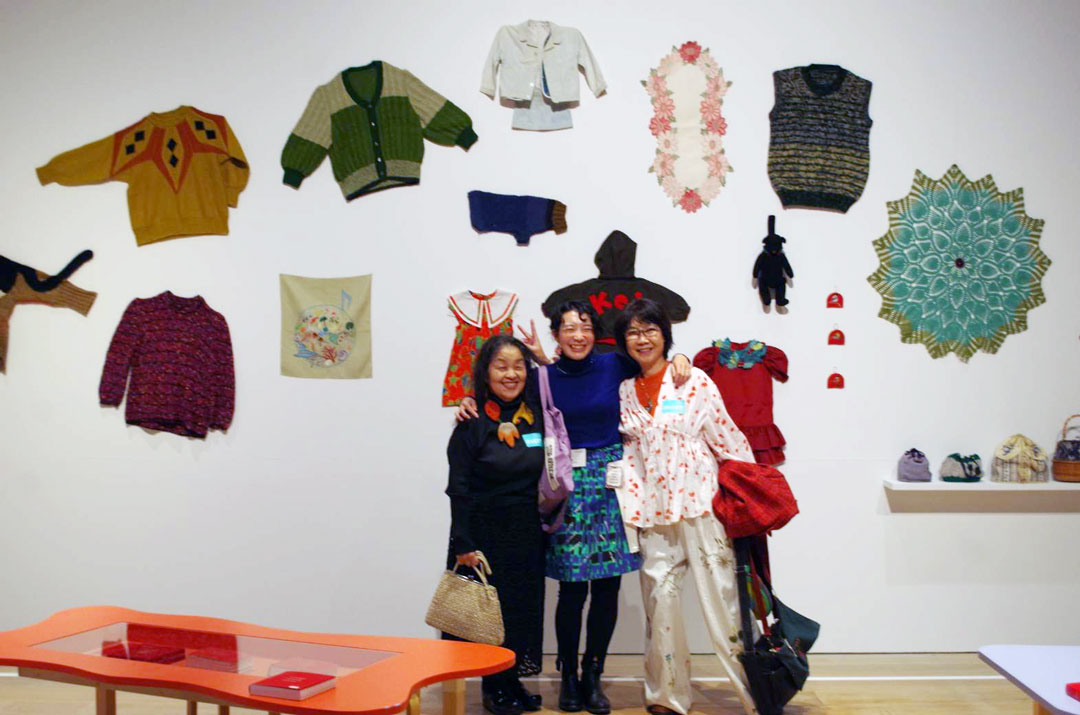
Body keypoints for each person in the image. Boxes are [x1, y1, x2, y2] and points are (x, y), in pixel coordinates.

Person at [458, 301, 692, 714]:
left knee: (607, 587)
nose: (578, 334)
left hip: (613, 483)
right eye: (568, 327)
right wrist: (468, 400)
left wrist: (681, 357)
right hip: (565, 485)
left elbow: (650, 361)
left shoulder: (614, 365)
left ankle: (592, 676)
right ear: (556, 335)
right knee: (571, 588)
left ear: (595, 332)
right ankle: (567, 675)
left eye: (584, 326)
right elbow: (502, 396)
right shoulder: (541, 376)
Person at [613, 299, 758, 715]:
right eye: (633, 332)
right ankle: (667, 695)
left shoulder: (693, 379)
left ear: (665, 334)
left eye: (650, 329)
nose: (642, 339)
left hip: (701, 505)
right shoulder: (625, 390)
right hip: (654, 513)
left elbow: (726, 436)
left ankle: (756, 694)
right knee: (661, 601)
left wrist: (748, 494)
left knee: (724, 604)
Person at [444, 335, 546, 715]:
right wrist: (463, 542)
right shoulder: (471, 422)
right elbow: (458, 487)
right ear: (486, 372)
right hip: (483, 534)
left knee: (520, 610)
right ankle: (493, 687)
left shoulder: (535, 415)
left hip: (526, 530)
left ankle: (512, 681)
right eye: (501, 366)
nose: (511, 374)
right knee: (487, 615)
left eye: (518, 366)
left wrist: (543, 358)